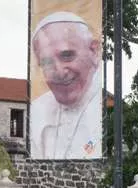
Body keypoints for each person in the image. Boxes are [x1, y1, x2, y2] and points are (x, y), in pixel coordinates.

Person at [30, 11, 103, 161]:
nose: (60, 72)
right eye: (47, 63)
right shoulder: (37, 110)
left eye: (67, 56)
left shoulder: (108, 109)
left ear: (94, 51)